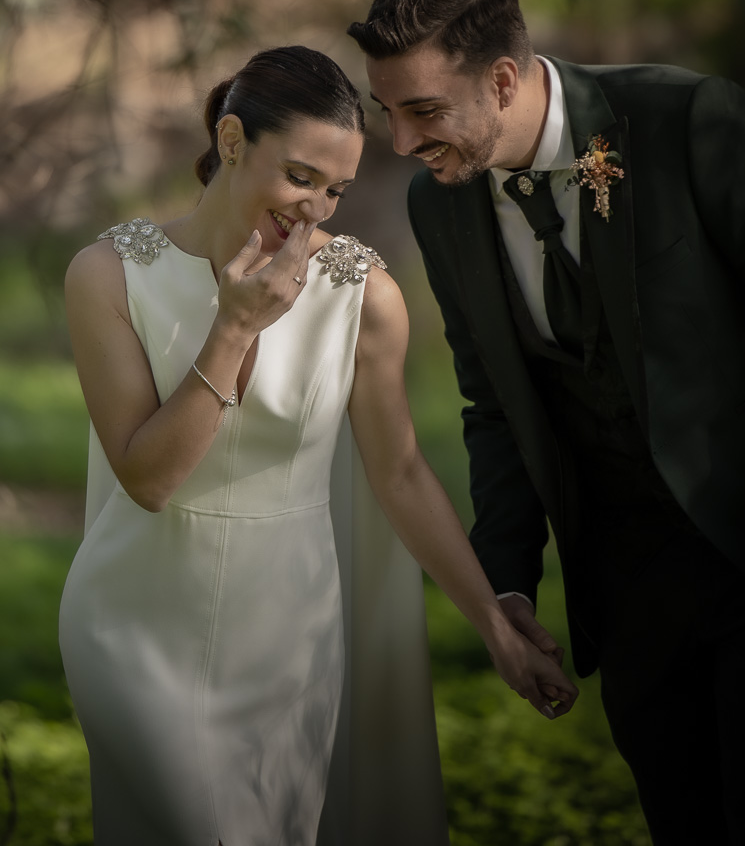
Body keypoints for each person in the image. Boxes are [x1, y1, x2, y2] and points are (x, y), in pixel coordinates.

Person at [350, 0, 745, 844]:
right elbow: (496, 406)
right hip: (629, 596)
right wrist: (507, 587)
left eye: (423, 112)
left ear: (503, 80)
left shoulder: (691, 122)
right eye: (385, 112)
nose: (400, 142)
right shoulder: (442, 208)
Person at [58, 45, 576, 846]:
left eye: (334, 190)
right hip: (134, 630)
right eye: (300, 178)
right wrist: (233, 326)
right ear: (231, 143)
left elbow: (400, 472)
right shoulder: (109, 276)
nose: (316, 211)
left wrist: (495, 625)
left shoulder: (361, 296)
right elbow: (149, 479)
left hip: (287, 643)